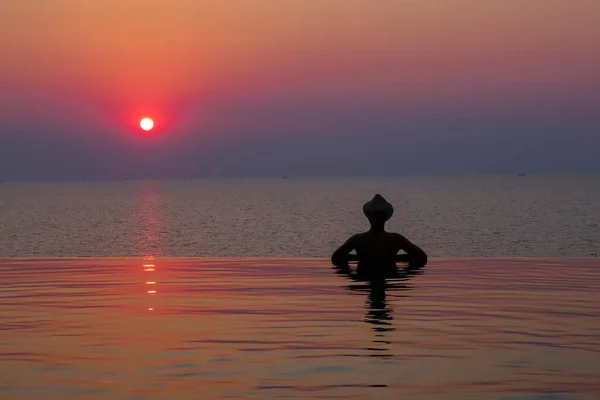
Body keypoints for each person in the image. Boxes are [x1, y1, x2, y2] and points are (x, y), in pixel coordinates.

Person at [331, 194, 427, 278]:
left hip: (364, 276)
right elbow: (421, 257)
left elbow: (336, 258)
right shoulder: (396, 239)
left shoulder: (357, 239)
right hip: (390, 276)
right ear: (387, 217)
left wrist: (359, 259)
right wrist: (398, 263)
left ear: (368, 217)